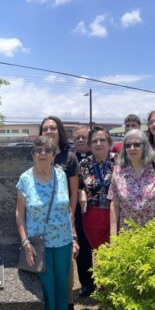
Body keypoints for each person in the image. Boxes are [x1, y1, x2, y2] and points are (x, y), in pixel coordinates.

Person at [16, 136, 79, 310]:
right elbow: (19, 214)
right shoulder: (25, 179)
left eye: (47, 150)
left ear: (53, 155)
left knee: (62, 283)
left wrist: (74, 236)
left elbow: (68, 210)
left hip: (62, 240)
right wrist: (25, 242)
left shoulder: (61, 175)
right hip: (39, 243)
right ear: (33, 154)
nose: (43, 153)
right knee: (46, 286)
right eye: (38, 150)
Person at [39, 116, 79, 310]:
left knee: (66, 266)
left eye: (53, 128)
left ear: (60, 131)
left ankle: (68, 302)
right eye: (45, 128)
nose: (49, 131)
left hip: (64, 219)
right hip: (42, 224)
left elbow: (74, 192)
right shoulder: (39, 154)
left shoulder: (69, 158)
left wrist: (69, 218)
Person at [109, 129, 155, 235]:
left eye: (137, 144)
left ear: (145, 147)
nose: (132, 148)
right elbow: (114, 204)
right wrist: (113, 235)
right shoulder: (118, 171)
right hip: (130, 237)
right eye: (128, 145)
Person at [79, 126, 115, 250]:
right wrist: (81, 192)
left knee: (116, 254)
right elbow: (78, 186)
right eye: (94, 141)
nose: (98, 143)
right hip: (93, 215)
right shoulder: (84, 164)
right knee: (99, 254)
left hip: (116, 213)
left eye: (102, 140)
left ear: (109, 143)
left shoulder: (120, 161)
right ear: (89, 145)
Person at [71, 126, 94, 297]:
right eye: (77, 137)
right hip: (77, 209)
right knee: (82, 248)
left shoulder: (96, 158)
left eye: (84, 137)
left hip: (97, 208)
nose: (80, 140)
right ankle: (86, 283)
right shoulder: (71, 160)